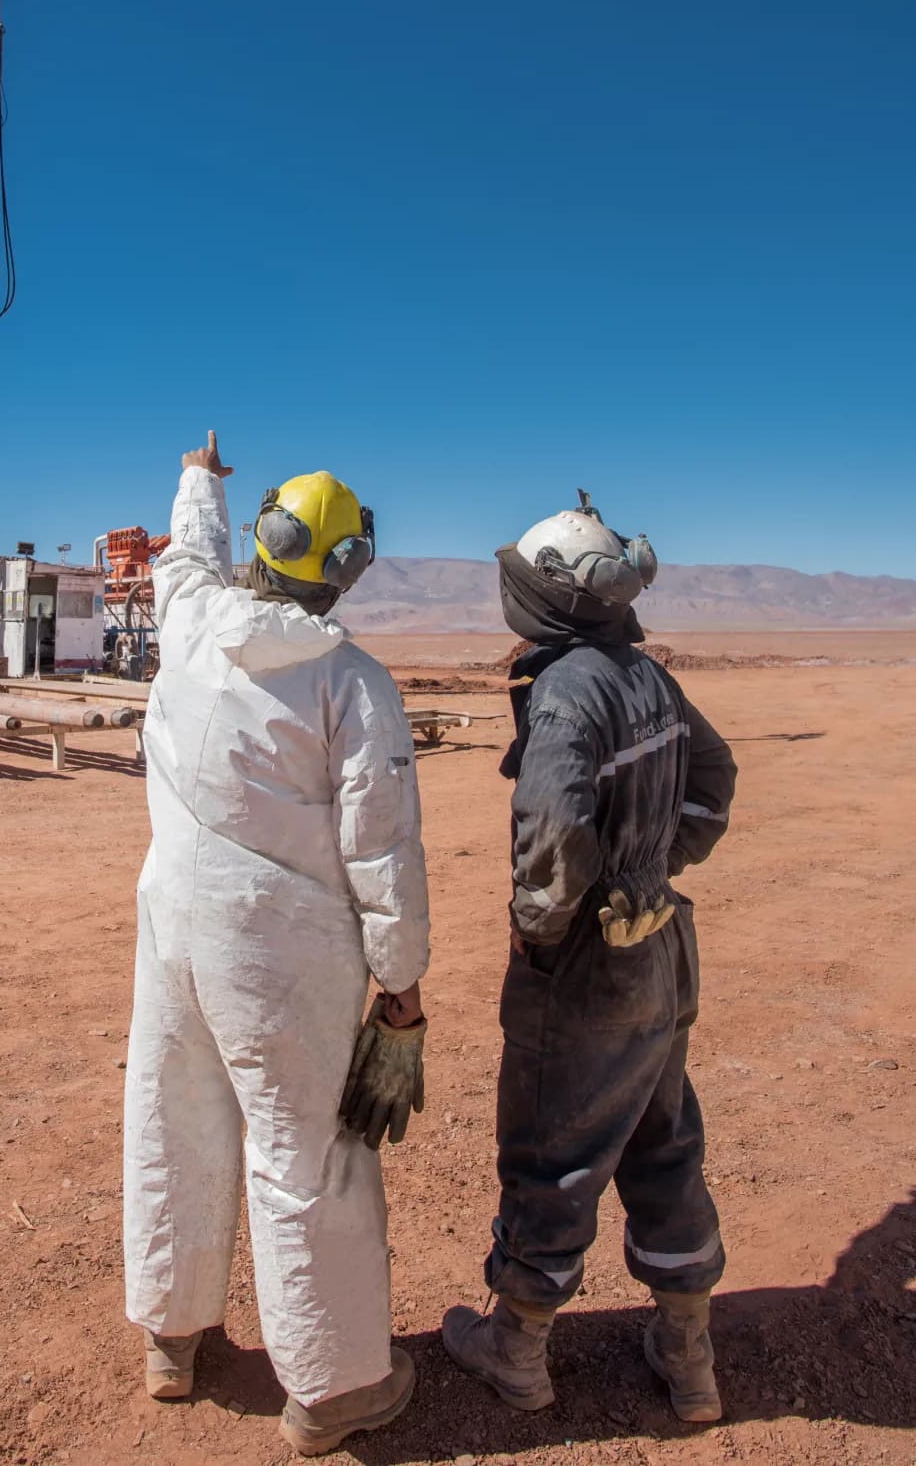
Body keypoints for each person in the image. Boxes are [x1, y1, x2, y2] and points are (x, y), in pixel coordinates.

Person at [122, 433, 431, 1457]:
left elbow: (183, 555)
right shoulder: (352, 684)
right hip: (285, 953)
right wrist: (401, 986)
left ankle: (174, 1339)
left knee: (175, 1121)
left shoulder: (193, 621)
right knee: (310, 1155)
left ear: (262, 540)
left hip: (173, 930)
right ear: (347, 572)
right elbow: (379, 847)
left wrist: (198, 477)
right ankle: (333, 1387)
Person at [443, 492, 736, 1424]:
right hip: (662, 955)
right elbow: (714, 777)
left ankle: (519, 1349)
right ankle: (689, 1355)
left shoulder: (567, 694)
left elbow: (557, 830)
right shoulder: (648, 678)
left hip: (587, 973)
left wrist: (543, 931)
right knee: (662, 1137)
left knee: (551, 1148)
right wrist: (655, 870)